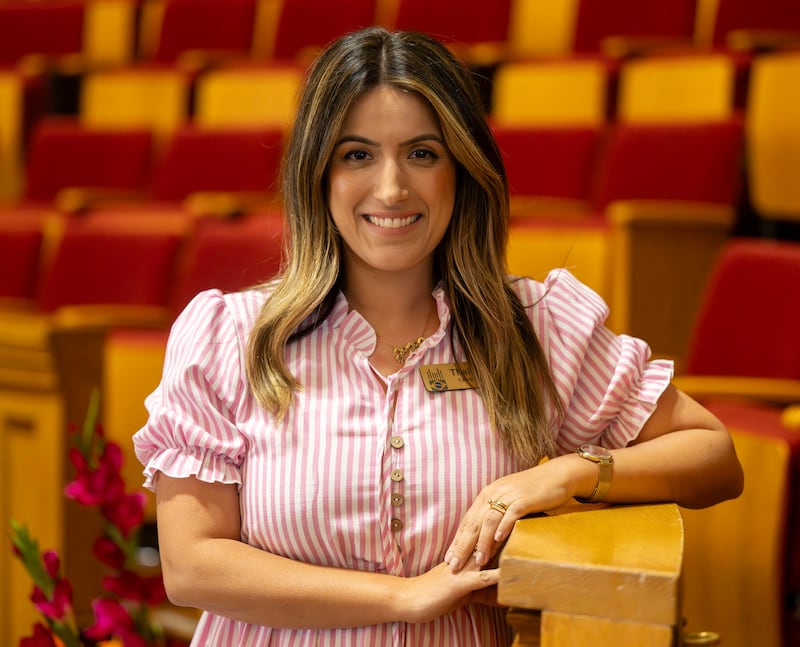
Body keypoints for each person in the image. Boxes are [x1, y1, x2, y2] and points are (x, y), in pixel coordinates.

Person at [133, 26, 744, 646]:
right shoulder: (231, 336)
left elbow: (712, 457)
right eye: (357, 154)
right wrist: (404, 596)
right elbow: (191, 565)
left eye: (422, 153)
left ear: (462, 168)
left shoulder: (534, 326)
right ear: (317, 173)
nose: (393, 188)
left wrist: (563, 475)